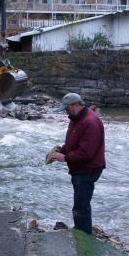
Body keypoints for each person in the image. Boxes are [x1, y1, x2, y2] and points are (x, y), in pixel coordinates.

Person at [48, 93, 105, 234]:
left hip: (88, 170)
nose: (65, 112)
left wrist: (65, 158)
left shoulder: (90, 122)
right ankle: (81, 230)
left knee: (81, 206)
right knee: (81, 204)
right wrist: (62, 150)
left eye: (66, 108)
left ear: (76, 105)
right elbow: (73, 141)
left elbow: (86, 153)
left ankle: (83, 234)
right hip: (81, 168)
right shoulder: (76, 118)